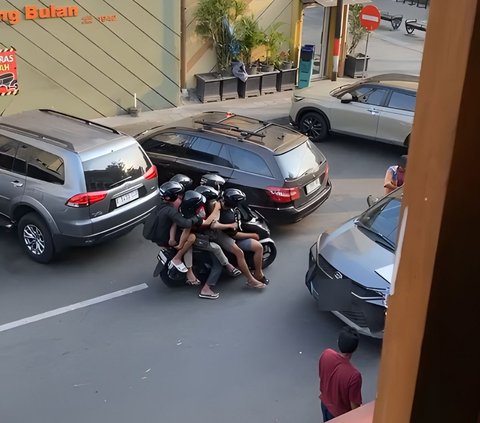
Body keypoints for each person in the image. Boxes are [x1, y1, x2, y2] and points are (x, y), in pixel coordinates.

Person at [147, 181, 202, 284]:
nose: (181, 198)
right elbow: (184, 226)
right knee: (191, 239)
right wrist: (179, 243)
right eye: (179, 196)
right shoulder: (179, 206)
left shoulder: (165, 205)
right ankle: (184, 266)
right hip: (176, 232)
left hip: (166, 234)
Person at [318, 327, 362, 422]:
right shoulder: (354, 375)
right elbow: (354, 405)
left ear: (338, 341)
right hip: (340, 415)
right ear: (355, 349)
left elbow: (321, 376)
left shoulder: (326, 354)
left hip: (324, 404)